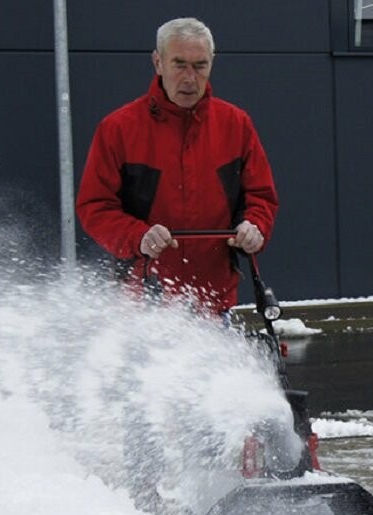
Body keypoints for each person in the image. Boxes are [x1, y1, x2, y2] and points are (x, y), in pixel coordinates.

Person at [76, 17, 279, 315]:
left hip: (215, 302)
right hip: (141, 305)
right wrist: (138, 236)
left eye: (200, 66)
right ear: (158, 62)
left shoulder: (236, 125)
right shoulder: (117, 129)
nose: (189, 78)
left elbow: (261, 197)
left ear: (212, 63)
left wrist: (254, 227)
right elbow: (94, 207)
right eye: (179, 64)